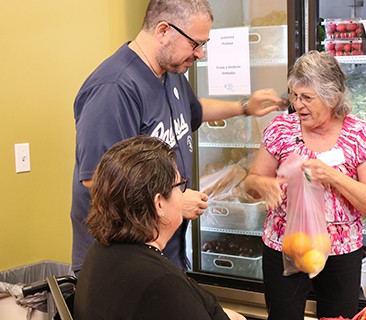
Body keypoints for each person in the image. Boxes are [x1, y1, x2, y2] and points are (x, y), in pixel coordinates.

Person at [71, 0, 284, 273]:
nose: (201, 54)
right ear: (163, 31)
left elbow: (192, 111)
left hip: (162, 251)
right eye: (195, 44)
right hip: (120, 262)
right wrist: (174, 202)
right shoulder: (114, 88)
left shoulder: (170, 72)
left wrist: (244, 107)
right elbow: (97, 179)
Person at [243, 50, 366, 320]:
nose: (298, 105)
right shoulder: (281, 129)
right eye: (294, 95)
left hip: (341, 251)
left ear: (333, 97)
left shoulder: (360, 134)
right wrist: (263, 186)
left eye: (307, 97)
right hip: (286, 246)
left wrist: (334, 177)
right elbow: (251, 182)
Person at [74, 135, 246, 320]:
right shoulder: (162, 283)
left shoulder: (100, 251)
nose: (183, 195)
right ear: (159, 204)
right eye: (180, 186)